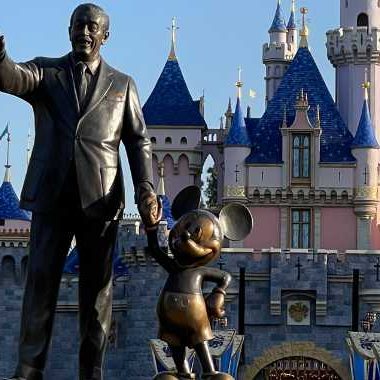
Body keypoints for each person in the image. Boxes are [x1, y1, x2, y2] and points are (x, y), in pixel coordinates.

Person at [0, 3, 161, 380]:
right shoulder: (46, 71)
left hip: (100, 201)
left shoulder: (122, 85)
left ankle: (92, 371)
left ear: (105, 35)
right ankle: (28, 368)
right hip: (52, 196)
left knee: (98, 295)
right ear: (68, 30)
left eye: (92, 27)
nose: (84, 32)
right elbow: (12, 78)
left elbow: (139, 142)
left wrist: (147, 190)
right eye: (78, 25)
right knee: (39, 283)